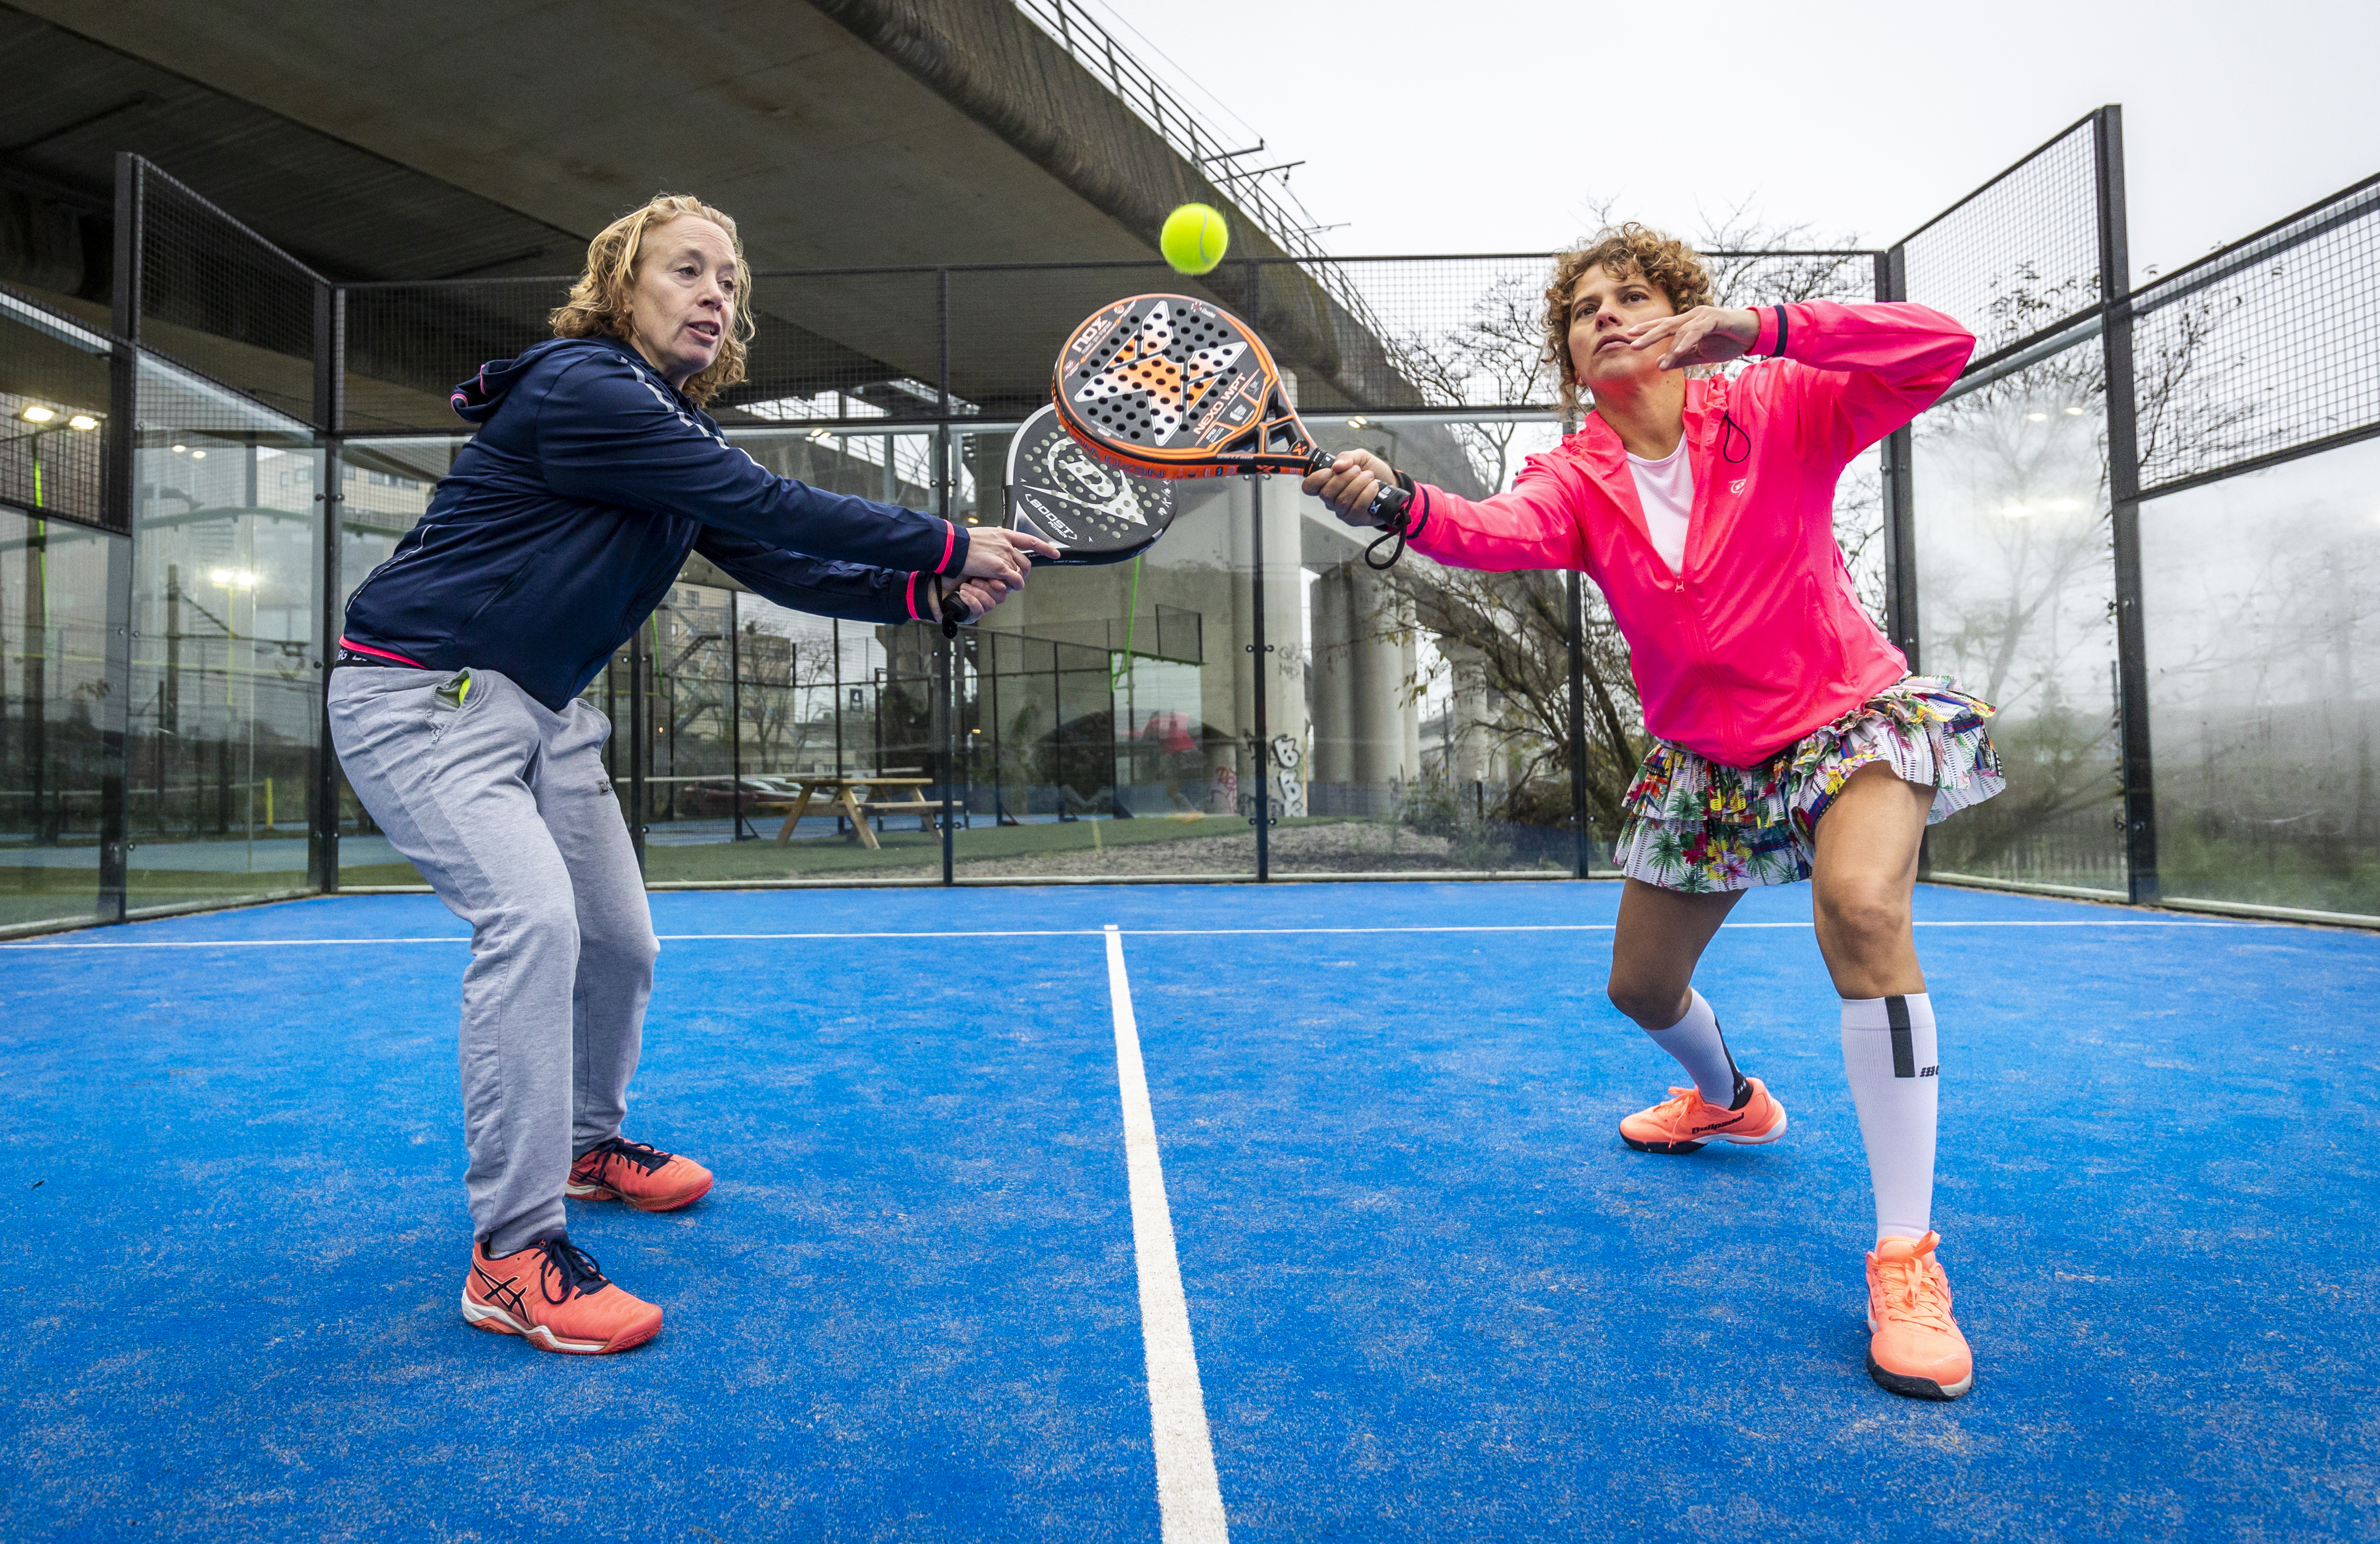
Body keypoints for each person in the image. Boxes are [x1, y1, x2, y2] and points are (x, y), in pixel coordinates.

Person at [331, 194, 1058, 1356]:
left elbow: (770, 553)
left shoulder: (668, 433)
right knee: (530, 922)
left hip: (544, 712)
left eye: (731, 280)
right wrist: (940, 538)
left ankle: (584, 1141)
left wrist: (926, 594)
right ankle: (513, 1253)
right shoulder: (583, 387)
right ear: (622, 289)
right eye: (689, 270)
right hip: (427, 692)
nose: (718, 294)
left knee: (620, 940)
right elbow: (766, 502)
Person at [1303, 225, 1998, 1401]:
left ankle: (1905, 1261)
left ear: (1683, 315)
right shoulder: (1572, 478)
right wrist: (1403, 502)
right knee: (1638, 988)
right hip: (1710, 761)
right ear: (1573, 359)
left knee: (1862, 907)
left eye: (1633, 296)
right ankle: (1732, 1103)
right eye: (1584, 310)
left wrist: (1763, 326)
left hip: (1849, 716)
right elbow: (1494, 532)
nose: (1608, 314)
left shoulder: (1777, 402)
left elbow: (1941, 346)